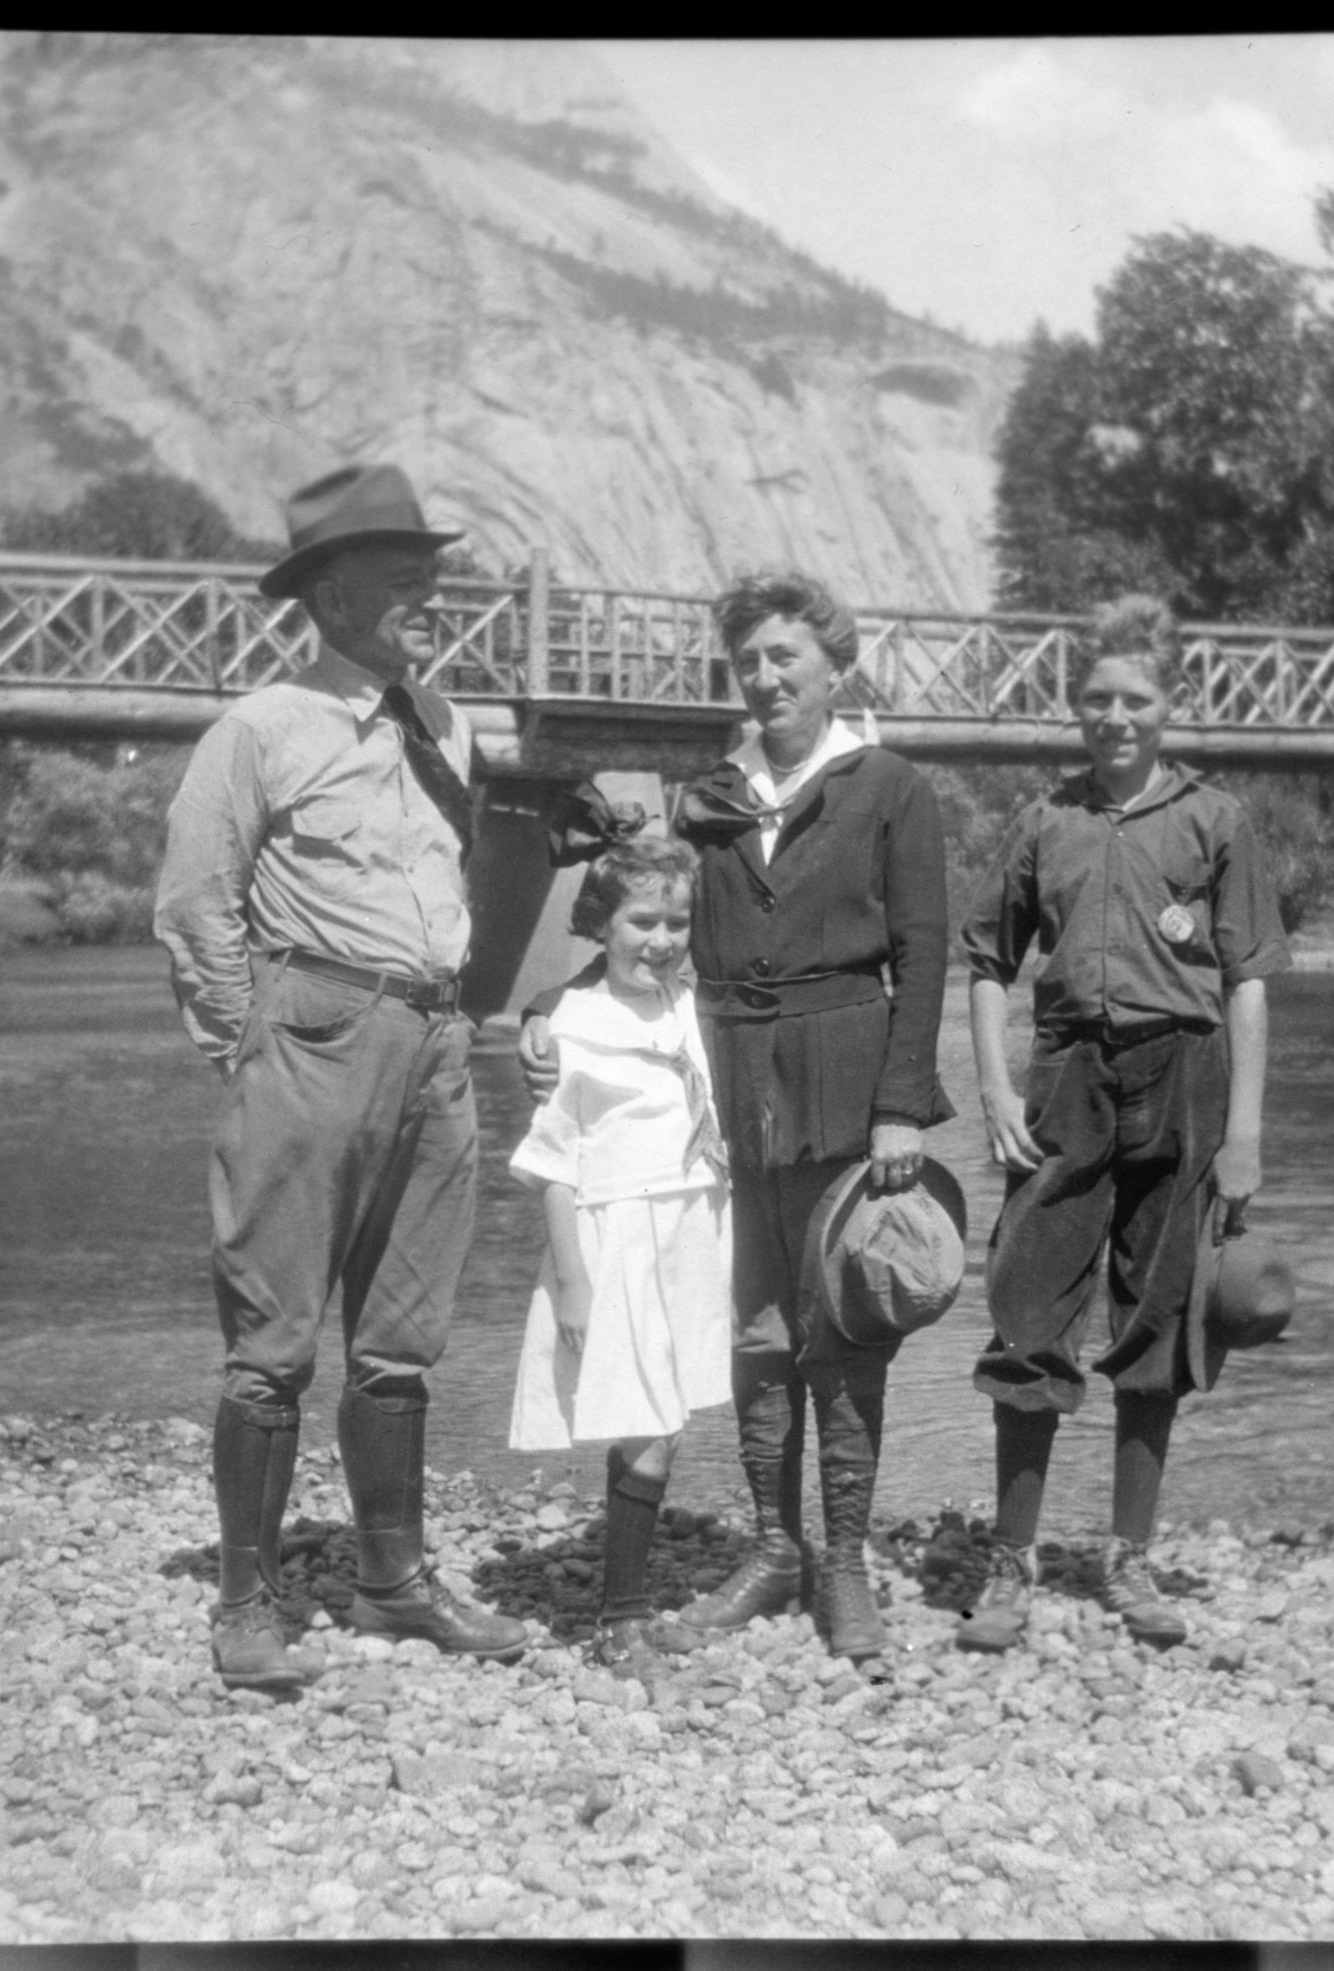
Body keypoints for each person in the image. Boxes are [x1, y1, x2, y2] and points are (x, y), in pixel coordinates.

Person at [522, 571, 953, 1664]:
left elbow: (924, 953)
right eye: (748, 661)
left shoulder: (888, 786)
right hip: (720, 1090)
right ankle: (773, 1548)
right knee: (756, 1326)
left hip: (845, 1079)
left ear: (835, 669)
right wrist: (548, 1009)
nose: (764, 678)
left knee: (843, 1321)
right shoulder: (710, 795)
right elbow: (646, 928)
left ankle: (844, 1564)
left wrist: (902, 1105)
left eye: (785, 658)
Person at [155, 461, 527, 1692]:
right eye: (401, 573)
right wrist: (256, 1043)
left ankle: (392, 1580)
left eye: (430, 570)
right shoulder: (261, 728)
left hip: (435, 1043)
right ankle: (246, 1602)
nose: (430, 591)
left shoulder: (446, 724)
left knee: (403, 1335)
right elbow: (195, 903)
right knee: (273, 1341)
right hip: (315, 1034)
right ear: (329, 596)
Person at [952, 595, 1288, 1653]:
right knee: (1028, 1309)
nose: (1115, 716)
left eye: (1136, 698)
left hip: (1184, 1077)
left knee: (1160, 1315)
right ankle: (1010, 1561)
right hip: (1066, 1079)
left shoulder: (1216, 820)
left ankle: (1129, 1558)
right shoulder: (1042, 822)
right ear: (1076, 705)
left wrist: (1245, 1133)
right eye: (1097, 697)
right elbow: (985, 961)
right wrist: (996, 1090)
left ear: (1170, 703)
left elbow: (1247, 981)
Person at [506, 833, 734, 1681]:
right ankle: (619, 1617)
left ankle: (625, 1604)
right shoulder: (572, 1026)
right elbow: (553, 1163)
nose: (662, 940)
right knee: (646, 1425)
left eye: (677, 922)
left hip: (688, 1232)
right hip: (617, 1241)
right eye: (642, 921)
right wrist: (572, 1281)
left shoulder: (684, 1002)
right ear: (601, 923)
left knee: (663, 1419)